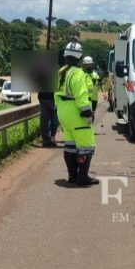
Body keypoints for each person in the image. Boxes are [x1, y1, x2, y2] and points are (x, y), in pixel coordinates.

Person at [55, 42, 99, 186]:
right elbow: (81, 95)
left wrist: (59, 110)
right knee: (86, 145)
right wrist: (87, 113)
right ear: (79, 57)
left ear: (65, 56)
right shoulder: (78, 73)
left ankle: (72, 176)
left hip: (62, 111)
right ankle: (82, 176)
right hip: (75, 112)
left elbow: (55, 94)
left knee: (70, 145)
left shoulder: (61, 71)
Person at [37, 55, 58, 147]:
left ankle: (47, 138)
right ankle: (49, 138)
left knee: (45, 119)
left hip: (44, 98)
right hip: (49, 99)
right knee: (54, 119)